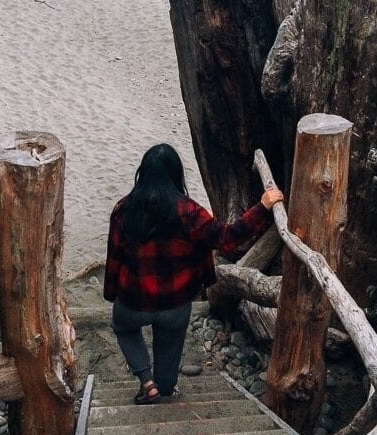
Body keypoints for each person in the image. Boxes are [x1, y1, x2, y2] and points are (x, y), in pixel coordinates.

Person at [103, 143, 283, 404]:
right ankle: (163, 388)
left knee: (123, 327)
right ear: (177, 175)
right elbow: (227, 238)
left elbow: (114, 257)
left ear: (142, 174)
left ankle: (146, 380)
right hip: (175, 303)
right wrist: (262, 206)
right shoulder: (190, 212)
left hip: (134, 301)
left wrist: (112, 296)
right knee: (170, 344)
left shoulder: (123, 210)